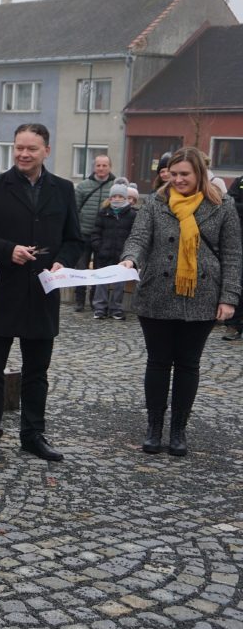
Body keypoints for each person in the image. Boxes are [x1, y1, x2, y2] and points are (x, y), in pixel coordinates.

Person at [0, 123, 83, 463]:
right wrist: (8, 250)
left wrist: (63, 262)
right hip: (3, 291)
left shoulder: (63, 189)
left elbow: (75, 239)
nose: (23, 154)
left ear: (46, 150)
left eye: (31, 148)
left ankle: (33, 435)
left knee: (37, 372)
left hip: (43, 293)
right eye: (19, 147)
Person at [120, 147, 241, 455]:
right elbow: (139, 238)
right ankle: (154, 427)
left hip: (202, 295)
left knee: (188, 364)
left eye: (184, 174)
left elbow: (232, 254)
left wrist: (229, 297)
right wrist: (130, 259)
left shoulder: (223, 205)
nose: (178, 180)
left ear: (199, 173)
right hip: (157, 293)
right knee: (158, 362)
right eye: (173, 174)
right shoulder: (155, 202)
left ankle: (178, 430)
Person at [72, 155, 116, 312]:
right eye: (98, 165)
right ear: (94, 167)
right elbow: (74, 210)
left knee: (99, 269)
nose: (101, 168)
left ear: (110, 167)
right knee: (81, 268)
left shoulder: (115, 187)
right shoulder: (83, 186)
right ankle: (79, 300)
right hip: (84, 233)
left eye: (104, 165)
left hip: (104, 236)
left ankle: (94, 300)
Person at [89, 178, 137, 320]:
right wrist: (98, 247)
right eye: (114, 196)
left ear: (125, 198)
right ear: (110, 198)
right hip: (104, 254)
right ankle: (100, 308)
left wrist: (128, 252)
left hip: (121, 256)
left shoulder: (132, 215)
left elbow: (134, 235)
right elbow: (96, 232)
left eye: (120, 196)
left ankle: (116, 308)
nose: (117, 199)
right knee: (102, 283)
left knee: (119, 284)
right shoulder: (104, 213)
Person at [223, 175, 243, 341]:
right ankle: (234, 325)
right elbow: (230, 204)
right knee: (238, 281)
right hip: (239, 239)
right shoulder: (240, 182)